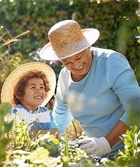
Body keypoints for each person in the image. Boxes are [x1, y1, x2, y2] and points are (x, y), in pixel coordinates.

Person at [38, 20, 140, 158]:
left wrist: (106, 143)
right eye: (67, 62)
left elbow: (136, 107)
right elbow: (61, 113)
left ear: (87, 46)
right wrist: (50, 141)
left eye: (78, 57)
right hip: (99, 154)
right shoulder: (64, 76)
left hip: (133, 149)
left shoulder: (111, 62)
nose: (76, 65)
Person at [1, 62, 59, 138]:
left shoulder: (46, 113)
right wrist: (47, 133)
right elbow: (17, 135)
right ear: (19, 93)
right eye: (33, 87)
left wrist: (34, 134)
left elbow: (56, 133)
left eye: (42, 87)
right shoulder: (15, 112)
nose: (39, 91)